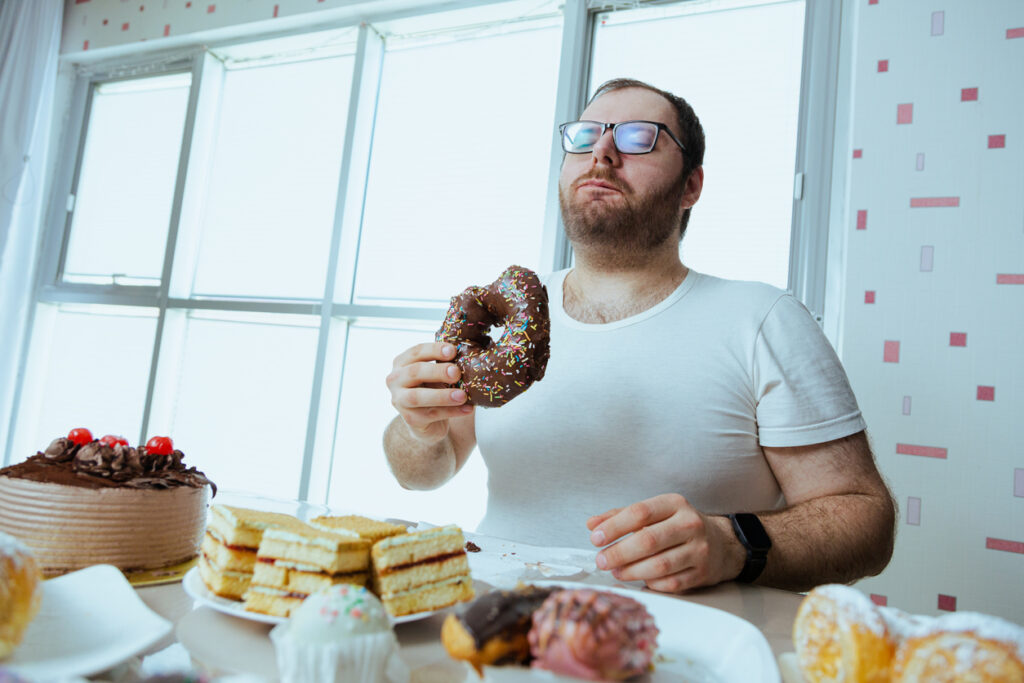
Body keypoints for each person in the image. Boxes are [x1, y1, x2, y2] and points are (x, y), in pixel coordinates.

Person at [383, 78, 895, 594]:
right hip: (493, 627)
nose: (602, 152)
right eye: (584, 137)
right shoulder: (506, 327)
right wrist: (418, 429)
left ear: (691, 185)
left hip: (685, 656)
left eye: (637, 137)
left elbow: (866, 521)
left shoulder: (762, 319)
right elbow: (422, 473)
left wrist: (733, 543)